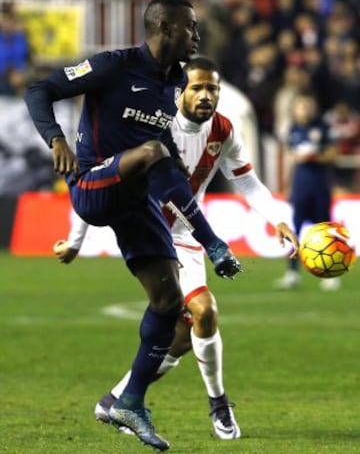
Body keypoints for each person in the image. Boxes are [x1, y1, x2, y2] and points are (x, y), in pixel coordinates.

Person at [24, 0, 241, 452]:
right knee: (156, 152)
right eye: (191, 28)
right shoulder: (114, 66)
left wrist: (204, 229)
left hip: (134, 198)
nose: (197, 36)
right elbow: (38, 89)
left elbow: (166, 159)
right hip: (92, 186)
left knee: (168, 302)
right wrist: (56, 139)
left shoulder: (175, 81)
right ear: (165, 29)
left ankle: (130, 401)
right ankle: (213, 244)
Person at [53, 57, 299, 441]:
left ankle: (116, 399)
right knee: (204, 310)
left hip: (187, 235)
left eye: (212, 89)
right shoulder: (153, 125)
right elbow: (101, 179)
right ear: (179, 90)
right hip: (148, 231)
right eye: (197, 87)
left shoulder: (224, 130)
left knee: (185, 334)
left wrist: (277, 218)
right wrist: (75, 239)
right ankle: (219, 403)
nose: (205, 96)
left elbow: (247, 182)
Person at [274, 93, 339, 291]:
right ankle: (293, 273)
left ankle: (330, 274)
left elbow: (332, 154)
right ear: (295, 110)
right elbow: (291, 157)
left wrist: (314, 156)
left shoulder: (323, 127)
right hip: (301, 186)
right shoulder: (293, 130)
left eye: (307, 106)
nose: (304, 110)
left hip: (319, 186)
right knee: (294, 228)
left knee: (325, 231)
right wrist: (287, 185)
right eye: (301, 107)